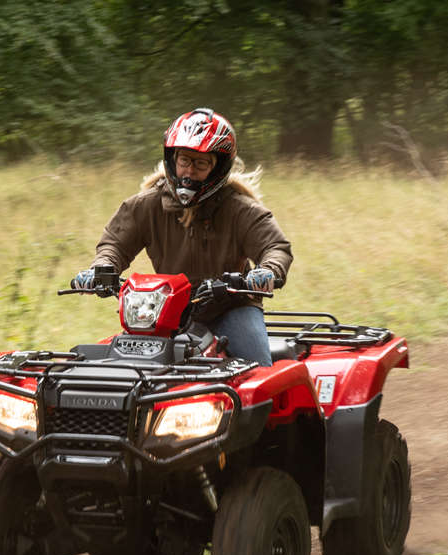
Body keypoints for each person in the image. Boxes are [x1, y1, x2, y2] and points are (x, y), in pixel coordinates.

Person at [69, 108, 292, 367]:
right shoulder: (146, 206)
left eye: (200, 164)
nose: (188, 172)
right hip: (164, 312)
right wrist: (100, 270)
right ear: (172, 159)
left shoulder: (240, 209)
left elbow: (275, 247)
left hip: (230, 308)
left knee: (256, 371)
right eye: (184, 160)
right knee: (122, 371)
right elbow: (114, 245)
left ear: (218, 168)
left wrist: (267, 272)